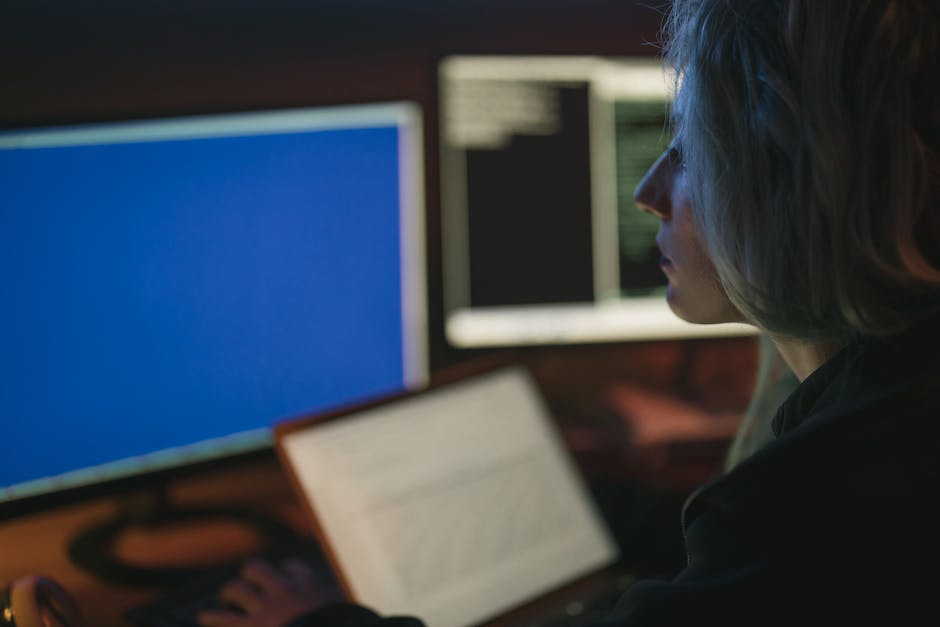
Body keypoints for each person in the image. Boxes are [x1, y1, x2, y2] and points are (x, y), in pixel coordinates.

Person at [199, 0, 940, 624]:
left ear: (797, 187)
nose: (649, 189)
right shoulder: (889, 405)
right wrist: (574, 499)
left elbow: (758, 548)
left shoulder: (809, 510)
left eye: (693, 155)